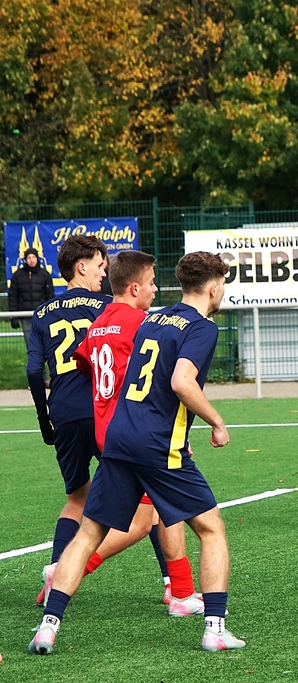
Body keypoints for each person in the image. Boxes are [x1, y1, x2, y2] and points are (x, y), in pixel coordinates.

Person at [29, 251, 244, 654]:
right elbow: (181, 381)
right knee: (211, 528)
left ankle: (48, 626)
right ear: (214, 287)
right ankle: (214, 629)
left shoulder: (154, 319)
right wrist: (216, 421)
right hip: (156, 444)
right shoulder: (201, 327)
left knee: (89, 533)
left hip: (118, 437)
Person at [70, 250, 202, 616]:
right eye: (152, 283)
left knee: (160, 511)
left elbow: (85, 366)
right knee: (146, 519)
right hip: (137, 432)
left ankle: (180, 590)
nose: (156, 289)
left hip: (108, 430)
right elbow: (153, 380)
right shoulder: (140, 324)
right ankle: (68, 570)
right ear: (134, 287)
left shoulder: (99, 323)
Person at [26, 235, 110, 604]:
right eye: (100, 266)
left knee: (77, 498)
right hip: (103, 412)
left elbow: (33, 371)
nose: (103, 274)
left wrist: (45, 420)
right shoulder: (106, 306)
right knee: (145, 500)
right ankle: (175, 586)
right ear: (81, 266)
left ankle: (56, 570)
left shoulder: (42, 313)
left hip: (63, 412)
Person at [8, 246, 55, 350]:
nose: (31, 260)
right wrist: (13, 316)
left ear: (37, 258)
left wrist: (51, 313)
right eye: (29, 257)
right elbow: (13, 296)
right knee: (30, 345)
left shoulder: (45, 275)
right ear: (25, 260)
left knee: (44, 343)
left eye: (33, 257)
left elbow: (50, 296)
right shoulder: (17, 276)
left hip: (41, 315)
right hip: (25, 316)